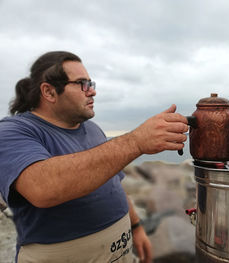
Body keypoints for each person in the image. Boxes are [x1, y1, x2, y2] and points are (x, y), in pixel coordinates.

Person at [0, 51, 189, 263]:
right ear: (49, 92)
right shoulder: (13, 131)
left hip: (120, 252)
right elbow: (42, 187)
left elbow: (114, 184)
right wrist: (136, 141)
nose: (92, 92)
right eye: (82, 84)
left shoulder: (93, 129)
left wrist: (136, 227)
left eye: (91, 83)